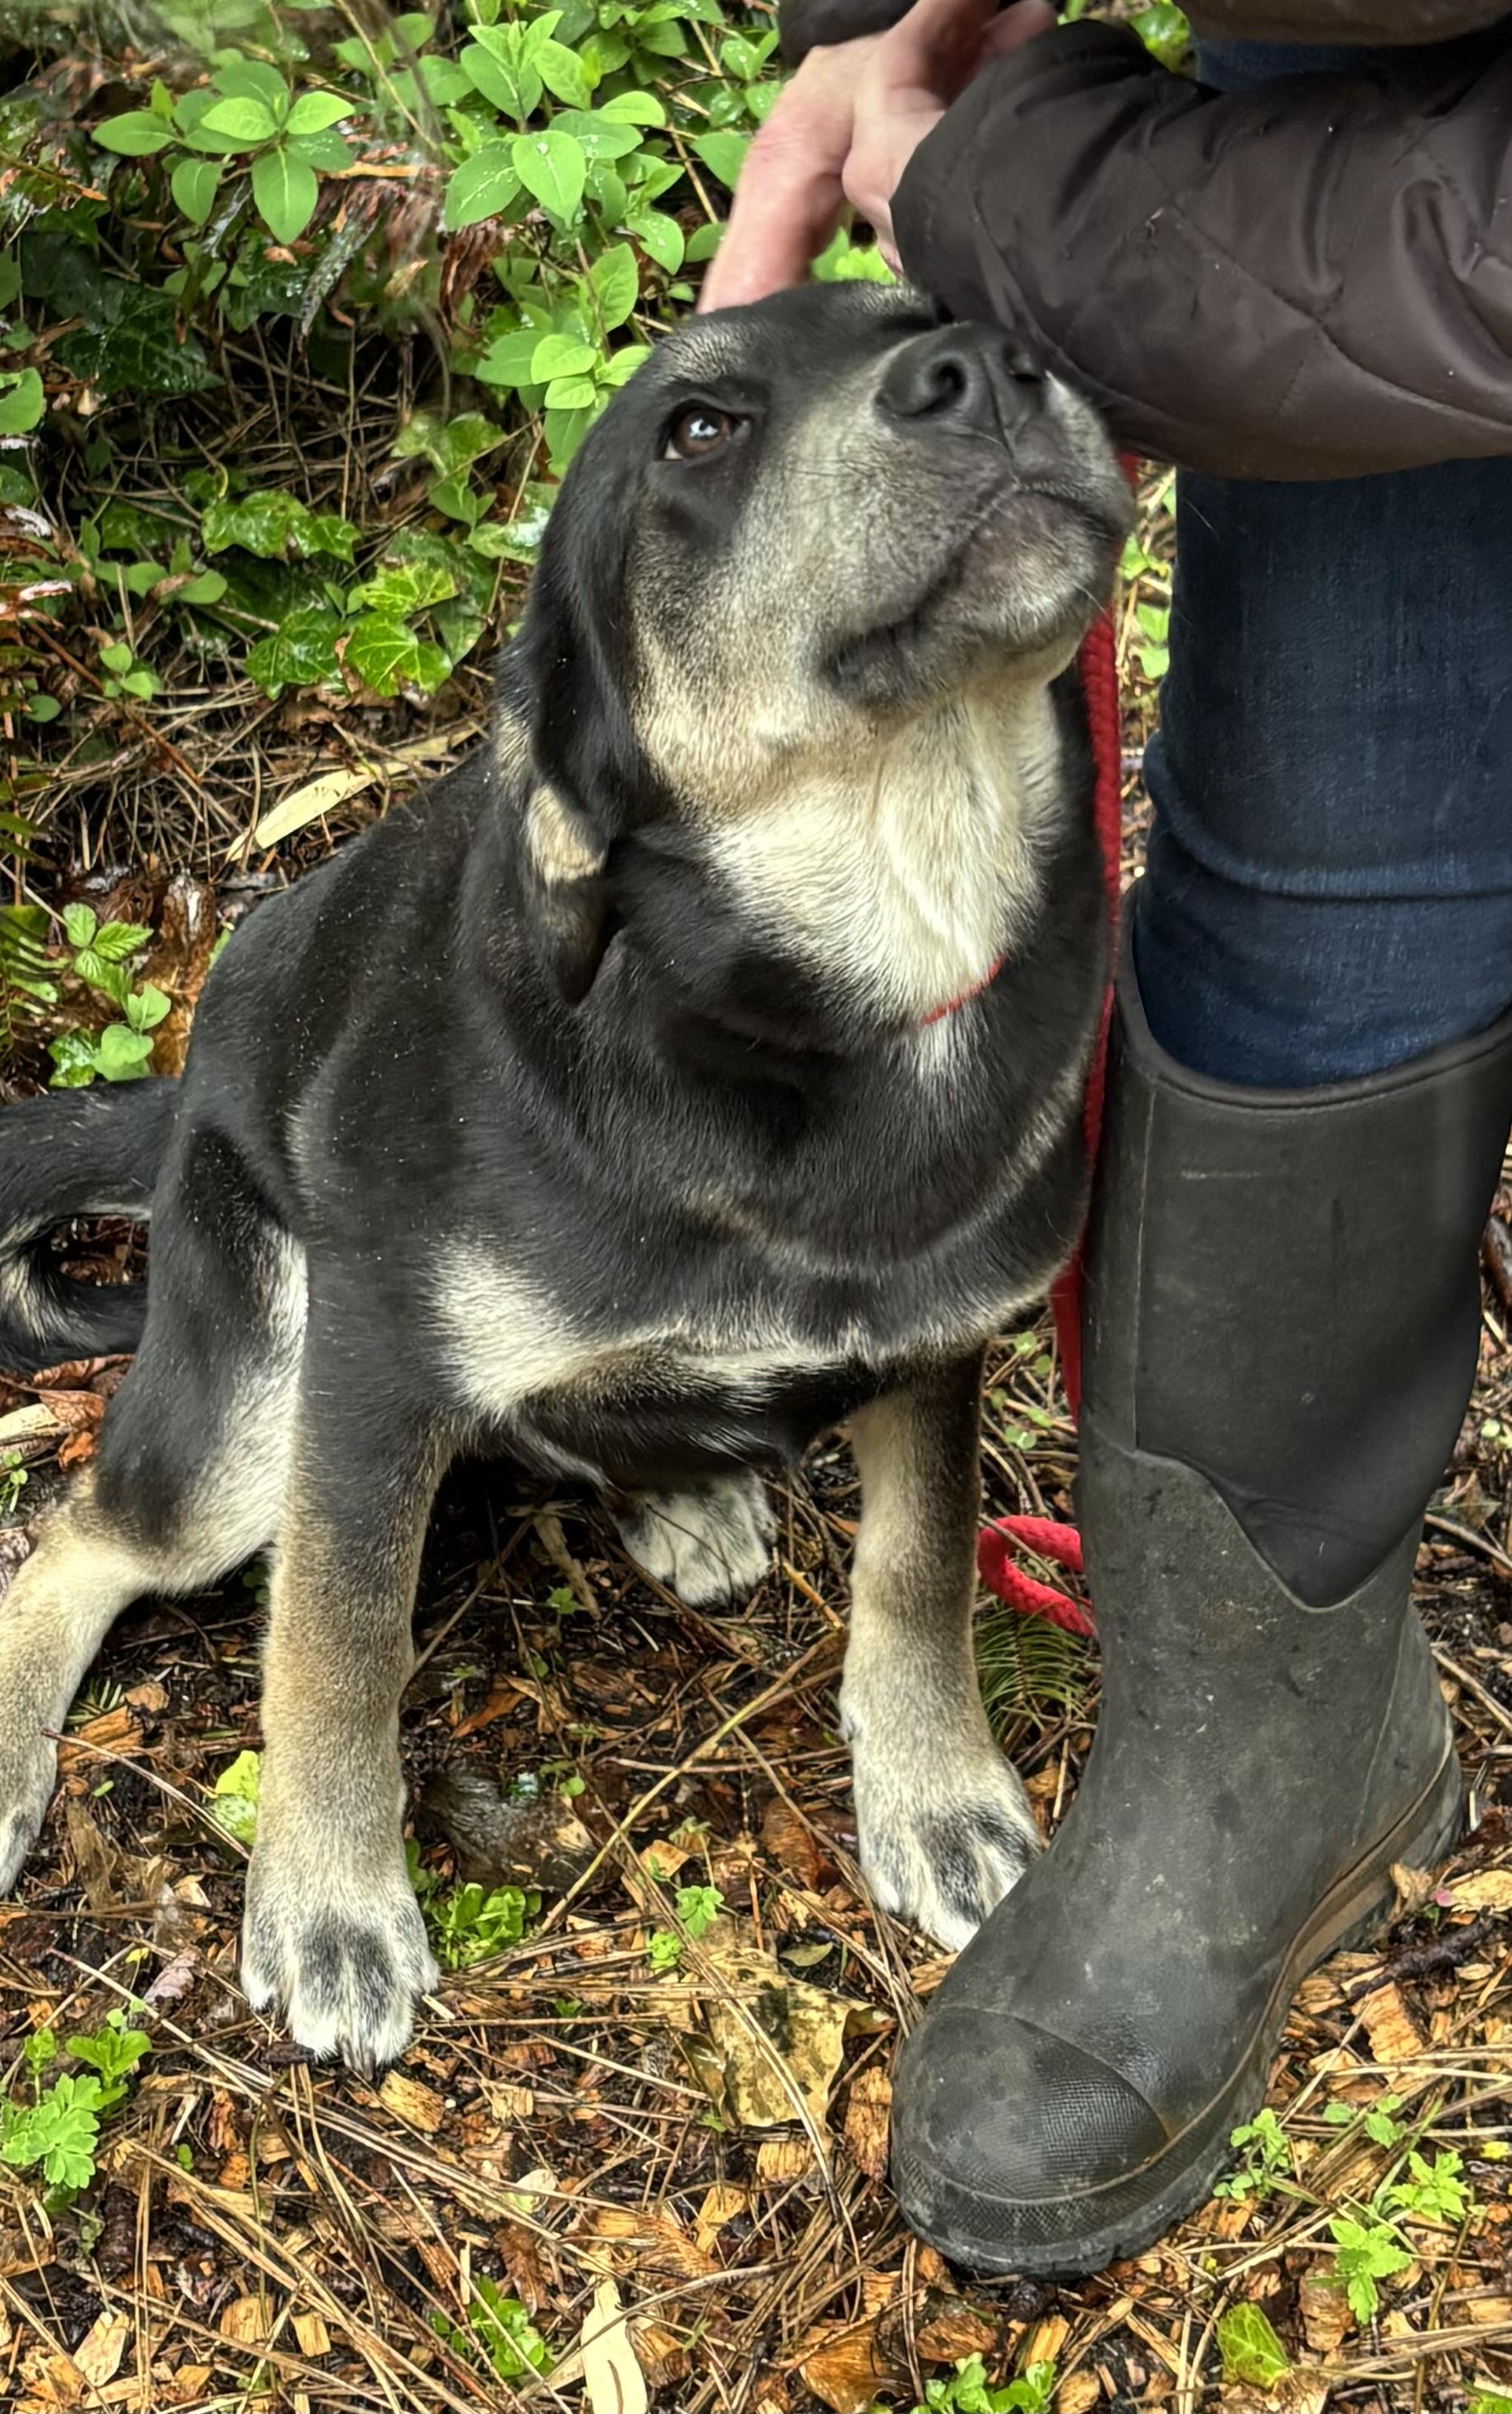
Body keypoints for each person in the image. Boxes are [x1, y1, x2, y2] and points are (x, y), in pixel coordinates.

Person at [703, 0, 1512, 2271]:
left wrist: (1005, 194)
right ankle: (1272, 1736)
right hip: (1369, 88)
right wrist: (887, 32)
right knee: (1328, 887)